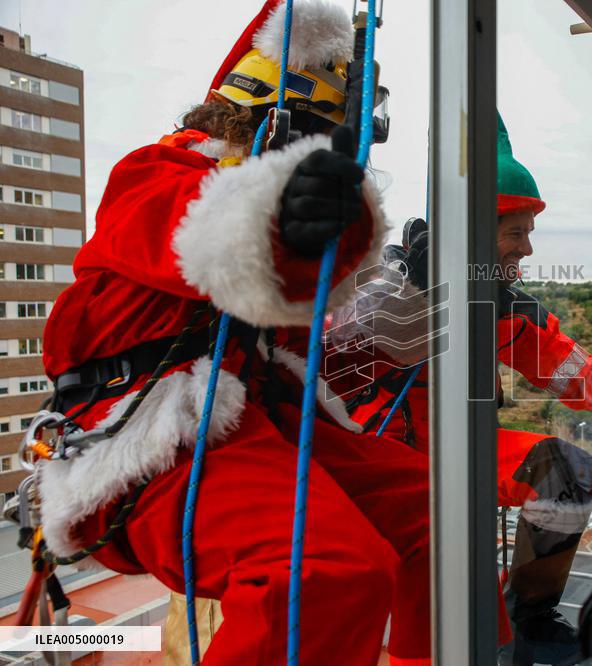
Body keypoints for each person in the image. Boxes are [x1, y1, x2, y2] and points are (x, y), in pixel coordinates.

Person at [35, 1, 432, 664]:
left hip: (256, 427)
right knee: (322, 571)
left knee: (440, 512)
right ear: (270, 124)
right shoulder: (155, 176)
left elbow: (324, 322)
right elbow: (213, 237)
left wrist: (389, 272)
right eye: (312, 138)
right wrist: (293, 207)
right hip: (150, 443)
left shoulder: (256, 205)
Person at [325, 113, 592, 664]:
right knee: (447, 566)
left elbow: (584, 380)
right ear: (474, 229)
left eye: (528, 234)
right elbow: (328, 370)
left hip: (461, 450)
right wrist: (407, 303)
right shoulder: (381, 284)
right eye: (516, 233)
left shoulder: (507, 309)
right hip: (376, 453)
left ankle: (532, 614)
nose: (527, 251)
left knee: (565, 471)